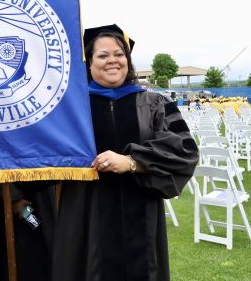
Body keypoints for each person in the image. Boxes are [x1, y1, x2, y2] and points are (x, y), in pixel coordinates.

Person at [52, 24, 199, 281]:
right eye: (103, 55)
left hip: (140, 212)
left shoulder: (153, 103)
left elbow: (184, 150)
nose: (113, 61)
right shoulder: (70, 107)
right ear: (88, 63)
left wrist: (133, 161)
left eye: (119, 54)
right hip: (85, 216)